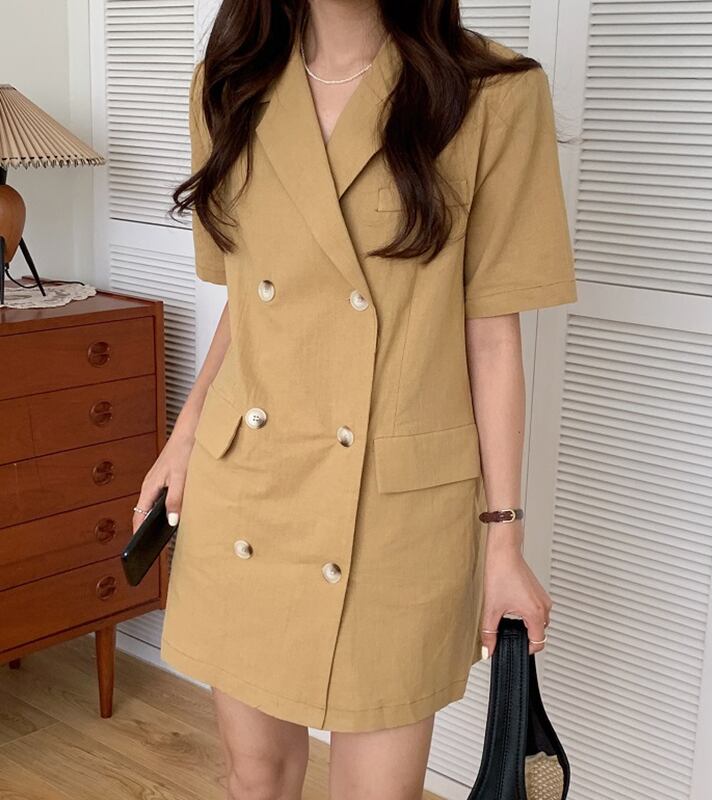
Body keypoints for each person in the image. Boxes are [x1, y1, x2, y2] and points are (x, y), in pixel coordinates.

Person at [133, 0, 577, 798]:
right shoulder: (227, 84)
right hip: (252, 484)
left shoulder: (492, 91)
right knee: (255, 777)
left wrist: (503, 538)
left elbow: (491, 336)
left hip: (397, 510)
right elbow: (249, 298)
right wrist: (185, 434)